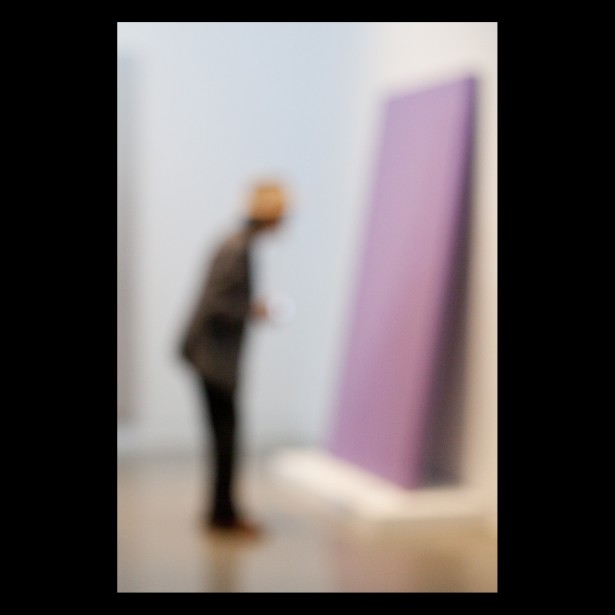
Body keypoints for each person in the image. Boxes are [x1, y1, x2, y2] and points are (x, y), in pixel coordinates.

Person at [180, 182, 288, 537]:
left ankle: (222, 512)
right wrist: (254, 310)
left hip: (212, 356)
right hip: (213, 359)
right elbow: (217, 302)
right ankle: (222, 515)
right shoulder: (237, 248)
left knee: (225, 437)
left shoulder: (236, 243)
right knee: (226, 438)